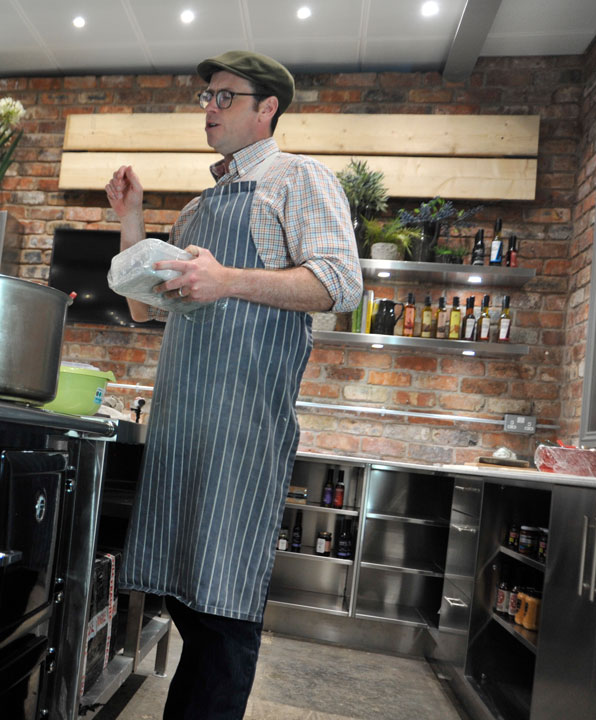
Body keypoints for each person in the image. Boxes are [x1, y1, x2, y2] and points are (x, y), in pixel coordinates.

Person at [104, 50, 361, 719]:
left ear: (267, 107)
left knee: (224, 611)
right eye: (206, 98)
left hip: (243, 427)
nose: (210, 109)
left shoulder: (297, 178)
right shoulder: (195, 209)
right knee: (186, 599)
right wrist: (131, 219)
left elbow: (340, 281)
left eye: (224, 96)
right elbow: (143, 308)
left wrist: (228, 280)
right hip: (184, 424)